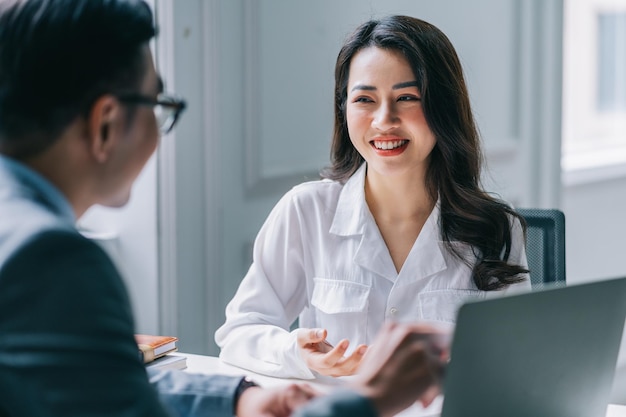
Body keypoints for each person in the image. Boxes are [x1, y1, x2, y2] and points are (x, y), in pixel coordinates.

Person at [0, 1, 445, 416]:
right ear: (106, 123)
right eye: (159, 107)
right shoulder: (50, 259)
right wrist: (372, 399)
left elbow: (96, 384)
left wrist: (239, 397)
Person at [215, 14, 531, 380]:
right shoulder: (307, 212)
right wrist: (297, 353)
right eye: (365, 99)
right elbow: (239, 333)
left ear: (443, 107)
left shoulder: (496, 228)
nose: (385, 120)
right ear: (344, 108)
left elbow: (516, 364)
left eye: (407, 97)